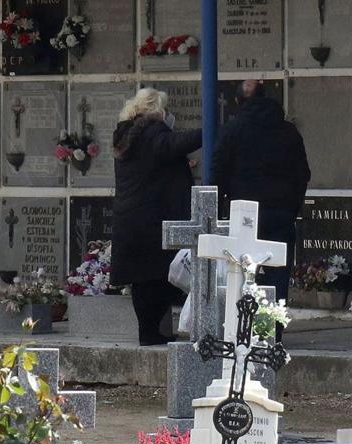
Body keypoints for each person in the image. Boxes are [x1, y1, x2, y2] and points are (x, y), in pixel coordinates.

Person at [111, 88, 203, 345]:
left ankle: (150, 333)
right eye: (165, 108)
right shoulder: (151, 134)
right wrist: (212, 132)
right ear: (156, 110)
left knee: (144, 282)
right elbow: (174, 144)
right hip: (151, 221)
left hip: (132, 220)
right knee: (158, 279)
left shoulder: (127, 135)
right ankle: (153, 335)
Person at [212, 80, 311, 310]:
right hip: (280, 213)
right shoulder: (288, 131)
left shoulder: (232, 131)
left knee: (243, 272)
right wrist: (292, 207)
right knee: (278, 272)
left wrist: (218, 213)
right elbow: (302, 173)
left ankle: (245, 326)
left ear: (238, 102)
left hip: (244, 214)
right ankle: (273, 328)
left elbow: (218, 175)